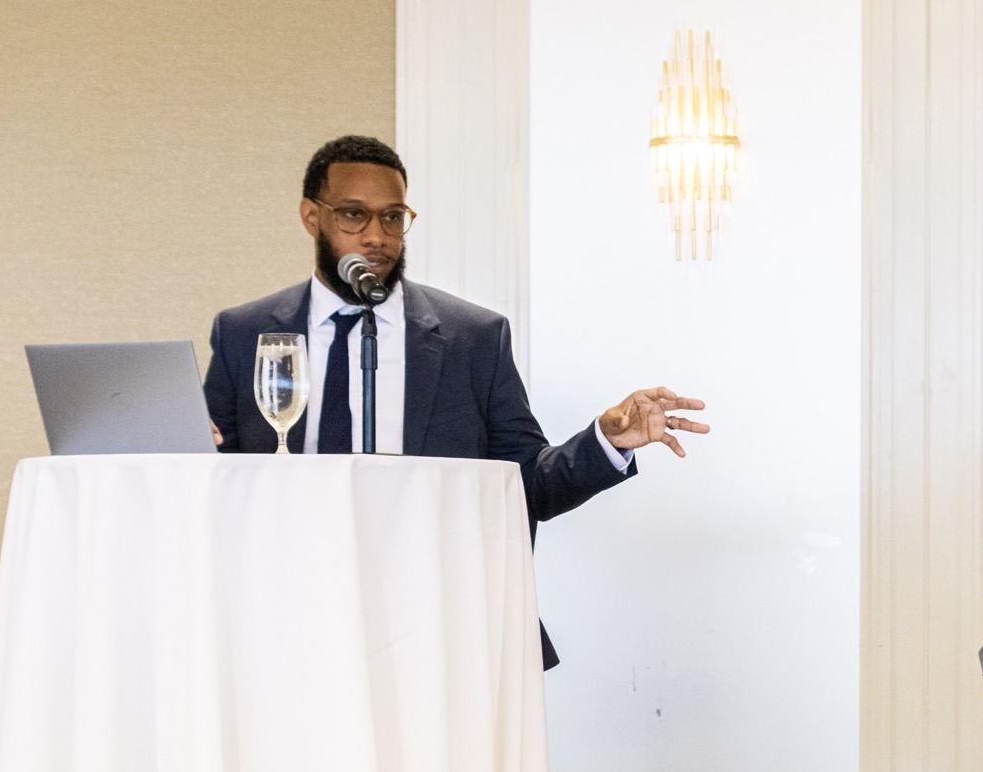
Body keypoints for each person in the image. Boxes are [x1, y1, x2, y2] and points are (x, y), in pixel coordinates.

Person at [204, 134, 707, 668]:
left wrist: (605, 442)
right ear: (312, 216)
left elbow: (527, 485)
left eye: (393, 217)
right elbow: (212, 482)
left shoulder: (473, 339)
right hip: (284, 620)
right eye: (354, 215)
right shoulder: (246, 333)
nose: (376, 236)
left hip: (437, 628)